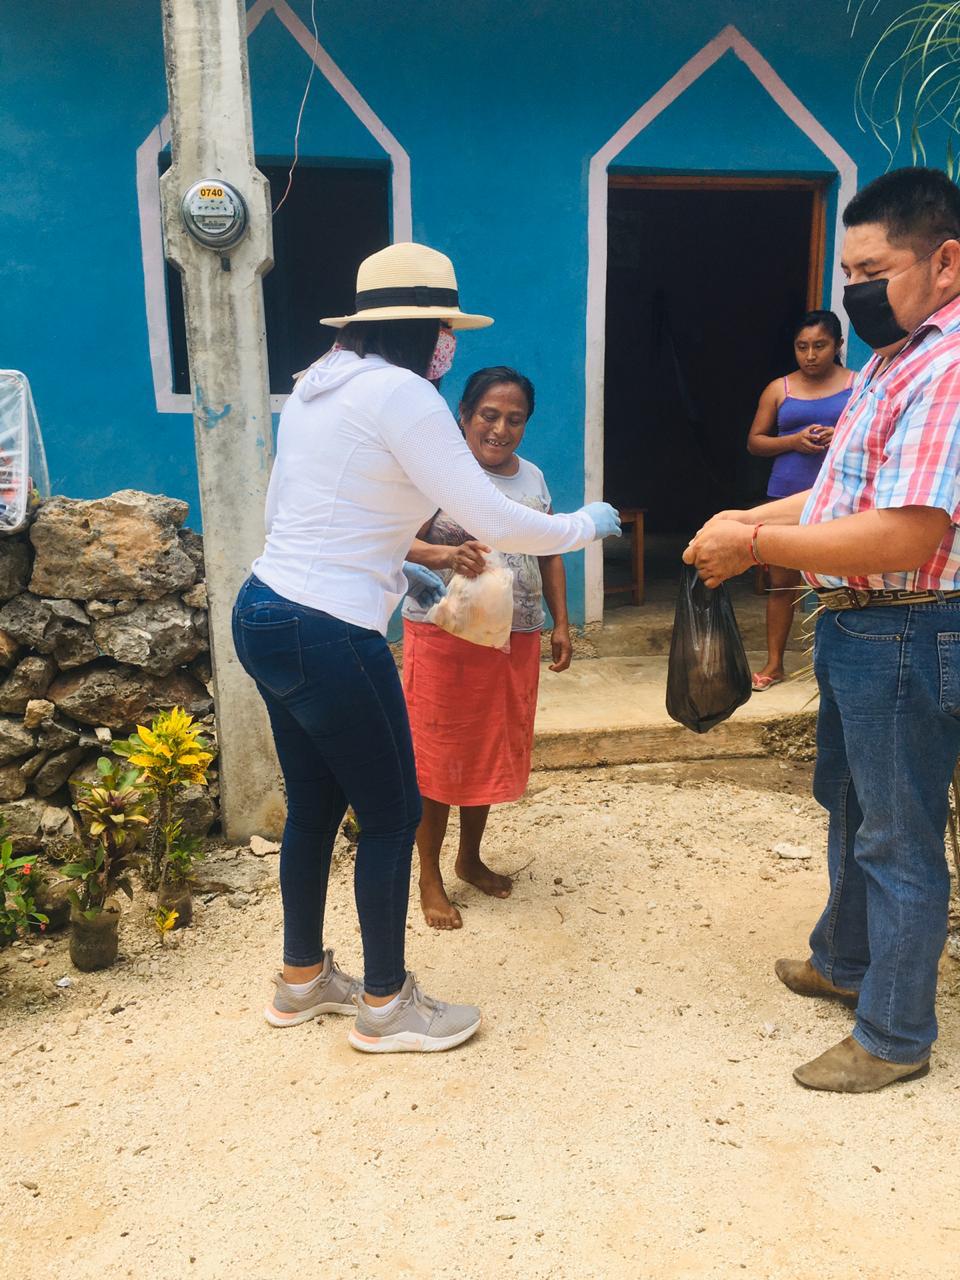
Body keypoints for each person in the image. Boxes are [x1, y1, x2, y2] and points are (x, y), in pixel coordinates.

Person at [231, 242, 620, 1054]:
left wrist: (391, 559)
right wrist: (584, 525)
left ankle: (302, 979)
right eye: (445, 328)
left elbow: (290, 508)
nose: (449, 343)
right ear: (422, 330)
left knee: (315, 805)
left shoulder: (316, 384)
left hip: (265, 608)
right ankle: (386, 1005)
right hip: (329, 628)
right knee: (392, 812)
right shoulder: (403, 393)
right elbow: (495, 517)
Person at [684, 167, 960, 1093]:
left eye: (873, 272)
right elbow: (842, 493)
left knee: (898, 834)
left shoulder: (950, 368)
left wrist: (756, 543)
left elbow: (908, 531)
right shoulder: (891, 360)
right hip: (858, 624)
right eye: (848, 274)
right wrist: (747, 519)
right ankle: (844, 961)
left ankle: (893, 1035)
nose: (855, 293)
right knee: (845, 801)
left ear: (946, 262)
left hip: (909, 629)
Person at [402, 366, 572, 929]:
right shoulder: (435, 476)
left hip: (514, 638)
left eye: (514, 419)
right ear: (464, 416)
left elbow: (550, 550)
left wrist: (560, 622)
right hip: (443, 637)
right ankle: (429, 876)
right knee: (438, 756)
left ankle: (469, 859)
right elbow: (394, 539)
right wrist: (445, 555)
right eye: (489, 416)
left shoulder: (533, 478)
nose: (500, 429)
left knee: (487, 749)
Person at [746, 311, 853, 690]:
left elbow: (878, 435)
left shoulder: (859, 385)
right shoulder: (780, 389)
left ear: (838, 345)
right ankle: (774, 664)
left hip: (840, 498)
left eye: (819, 346)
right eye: (802, 346)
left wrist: (840, 435)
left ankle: (835, 669)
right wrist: (793, 441)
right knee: (782, 583)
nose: (810, 355)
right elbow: (755, 442)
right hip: (785, 495)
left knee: (839, 584)